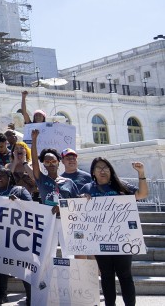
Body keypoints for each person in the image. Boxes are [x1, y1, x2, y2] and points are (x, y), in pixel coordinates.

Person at [79, 158, 148, 306]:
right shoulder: (87, 188)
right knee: (106, 276)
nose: (102, 170)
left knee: (125, 276)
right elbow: (78, 211)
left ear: (111, 171)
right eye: (99, 168)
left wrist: (141, 173)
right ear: (93, 172)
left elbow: (142, 194)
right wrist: (81, 200)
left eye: (106, 167)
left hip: (122, 240)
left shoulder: (120, 186)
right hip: (100, 241)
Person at [0, 166, 32, 304]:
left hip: (18, 236)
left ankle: (30, 297)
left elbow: (32, 208)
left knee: (22, 266)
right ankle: (3, 294)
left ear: (10, 178)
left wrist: (19, 202)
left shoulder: (20, 190)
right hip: (0, 235)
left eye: (2, 175)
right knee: (1, 266)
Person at [30, 130, 78, 207]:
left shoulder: (69, 182)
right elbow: (35, 161)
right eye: (47, 162)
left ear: (58, 162)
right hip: (48, 218)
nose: (51, 164)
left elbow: (77, 202)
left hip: (65, 218)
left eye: (54, 161)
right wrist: (34, 139)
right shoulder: (41, 179)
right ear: (44, 165)